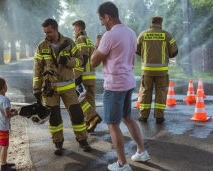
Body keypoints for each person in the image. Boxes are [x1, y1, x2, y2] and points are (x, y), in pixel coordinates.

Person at [91, 2, 150, 171]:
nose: (101, 23)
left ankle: (122, 164)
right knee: (127, 117)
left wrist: (98, 45)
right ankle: (142, 151)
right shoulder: (131, 32)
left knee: (112, 124)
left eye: (101, 19)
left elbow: (93, 62)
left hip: (114, 85)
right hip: (128, 82)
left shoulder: (109, 36)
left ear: (107, 17)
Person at [33, 18, 91, 156]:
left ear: (56, 29)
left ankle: (83, 140)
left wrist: (67, 61)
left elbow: (81, 61)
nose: (47, 34)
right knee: (54, 117)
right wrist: (36, 89)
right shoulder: (41, 46)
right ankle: (58, 143)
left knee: (77, 115)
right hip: (50, 89)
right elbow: (37, 69)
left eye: (49, 31)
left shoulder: (69, 43)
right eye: (45, 32)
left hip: (68, 87)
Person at [136, 16, 178, 124]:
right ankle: (159, 116)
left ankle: (143, 116)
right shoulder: (166, 35)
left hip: (147, 71)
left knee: (146, 92)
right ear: (160, 23)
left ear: (151, 23)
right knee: (161, 92)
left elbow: (137, 50)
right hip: (161, 72)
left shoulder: (143, 34)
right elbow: (174, 52)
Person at [72, 20, 102, 132]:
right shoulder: (89, 40)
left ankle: (93, 117)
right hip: (91, 76)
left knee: (79, 100)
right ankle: (91, 123)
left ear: (79, 29)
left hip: (83, 75)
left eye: (74, 29)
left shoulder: (80, 39)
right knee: (90, 100)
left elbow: (82, 59)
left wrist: (77, 77)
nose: (74, 32)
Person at [0, 76, 18, 171]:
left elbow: (1, 111)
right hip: (3, 127)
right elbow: (7, 115)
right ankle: (3, 167)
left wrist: (10, 111)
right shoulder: (5, 99)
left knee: (1, 145)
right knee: (5, 146)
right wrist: (14, 113)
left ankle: (4, 162)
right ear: (4, 87)